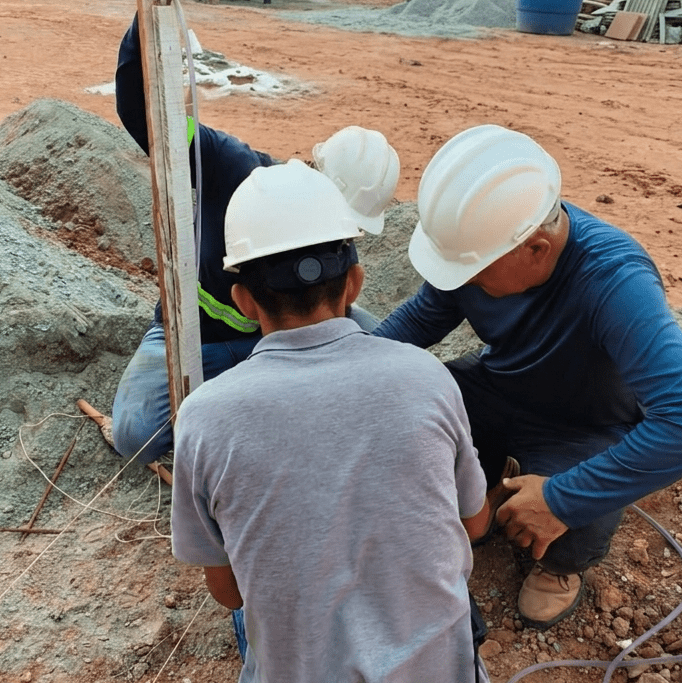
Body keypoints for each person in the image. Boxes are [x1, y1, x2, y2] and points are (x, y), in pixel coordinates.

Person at [170, 159, 491, 683]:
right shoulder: (425, 374)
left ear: (244, 300)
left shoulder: (204, 417)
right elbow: (473, 523)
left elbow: (228, 591)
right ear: (356, 283)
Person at [373, 123, 682, 630]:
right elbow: (423, 317)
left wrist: (563, 499)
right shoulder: (485, 245)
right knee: (411, 403)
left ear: (536, 248)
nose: (463, 282)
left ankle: (560, 565)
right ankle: (490, 489)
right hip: (500, 387)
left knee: (573, 532)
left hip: (584, 424)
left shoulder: (615, 280)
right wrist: (350, 363)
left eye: (472, 273)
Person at [111, 12, 400, 464]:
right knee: (135, 435)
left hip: (287, 342)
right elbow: (147, 118)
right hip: (194, 337)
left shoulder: (339, 237)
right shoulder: (232, 169)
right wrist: (146, 23)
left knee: (385, 352)